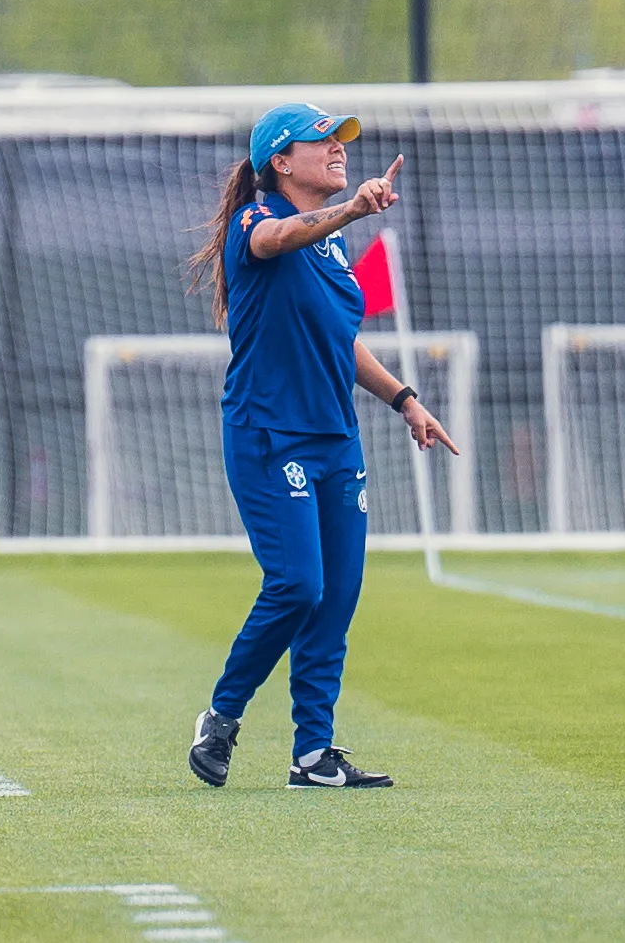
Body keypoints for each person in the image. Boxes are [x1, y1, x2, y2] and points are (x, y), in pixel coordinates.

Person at [185, 103, 459, 790]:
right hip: (269, 433)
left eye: (342, 140)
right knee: (297, 584)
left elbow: (342, 342)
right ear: (280, 161)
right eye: (323, 141)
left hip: (336, 436)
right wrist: (353, 211)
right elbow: (276, 239)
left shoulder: (335, 248)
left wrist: (404, 400)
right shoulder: (256, 221)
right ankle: (220, 715)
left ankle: (313, 754)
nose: (339, 149)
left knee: (335, 596)